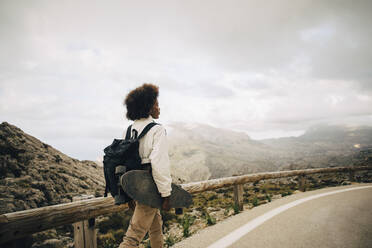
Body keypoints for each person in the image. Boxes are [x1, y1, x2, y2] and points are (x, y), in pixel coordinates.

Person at [119, 83, 172, 248]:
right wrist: (166, 193)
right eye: (156, 104)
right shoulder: (157, 130)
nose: (159, 107)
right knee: (133, 237)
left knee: (155, 225)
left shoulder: (129, 130)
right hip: (149, 184)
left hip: (133, 183)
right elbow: (159, 163)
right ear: (148, 107)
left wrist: (127, 192)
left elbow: (122, 163)